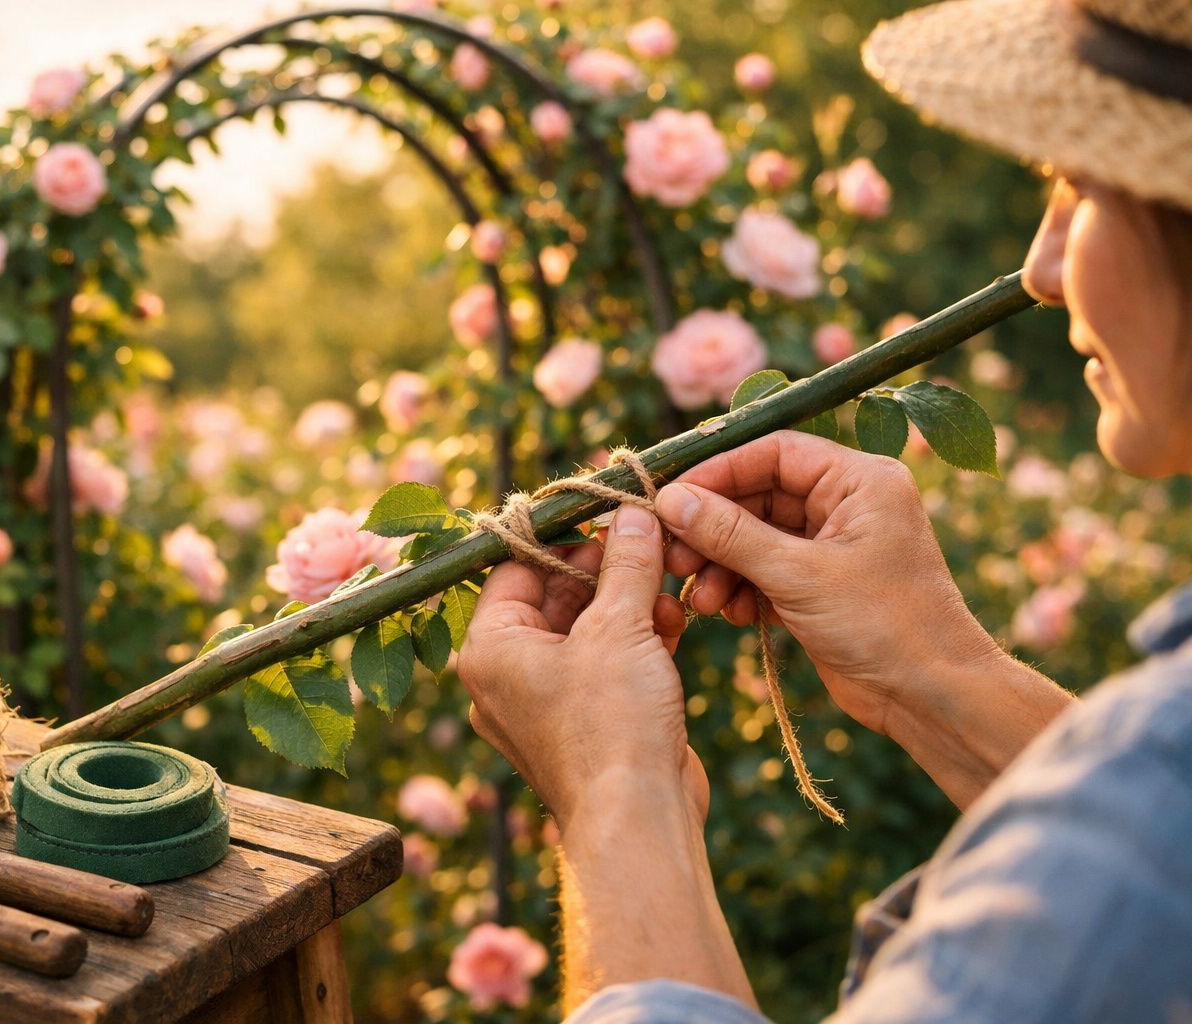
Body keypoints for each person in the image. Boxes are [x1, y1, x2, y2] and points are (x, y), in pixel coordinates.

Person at [456, 0, 1192, 1019]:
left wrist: (614, 796)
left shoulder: (1151, 802)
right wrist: (935, 671)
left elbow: (1151, 841)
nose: (1042, 267)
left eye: (1082, 186)